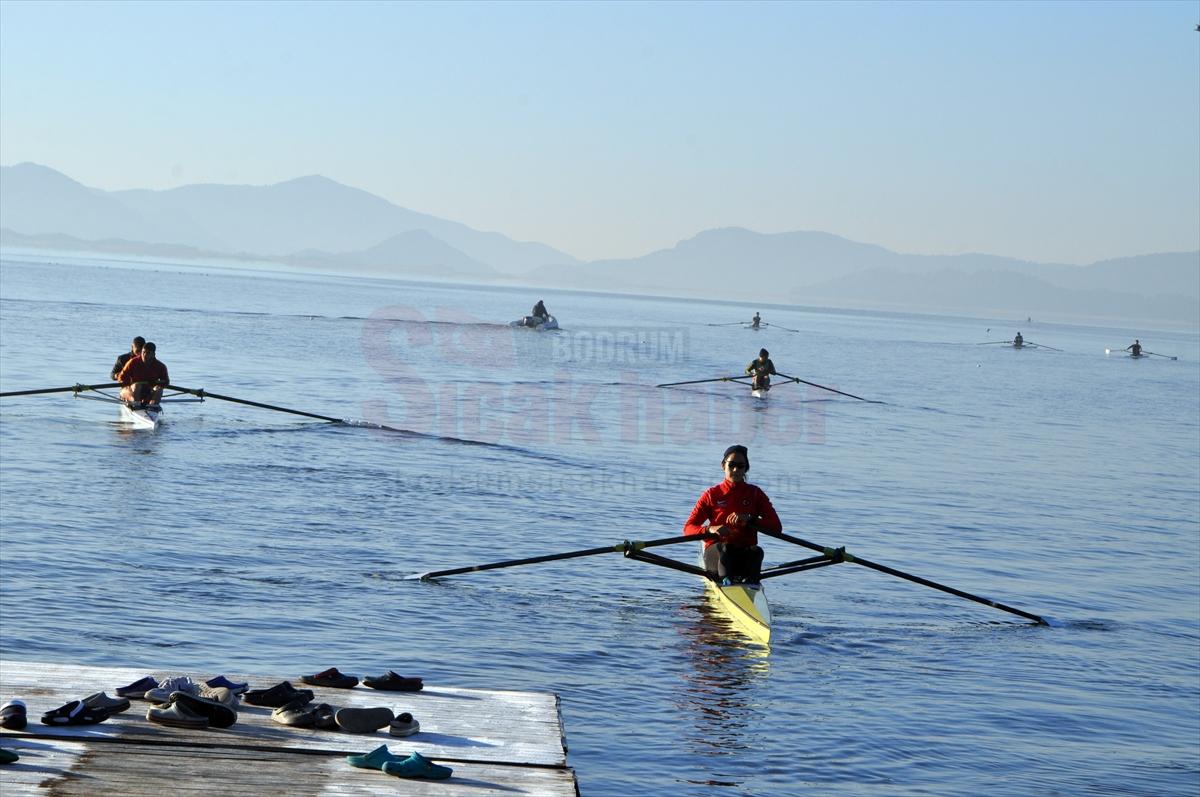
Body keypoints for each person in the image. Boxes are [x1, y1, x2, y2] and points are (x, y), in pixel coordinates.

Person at [684, 445, 782, 585]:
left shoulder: (755, 494)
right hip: (718, 553)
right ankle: (726, 582)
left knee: (756, 552)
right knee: (726, 548)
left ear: (745, 469)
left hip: (743, 553)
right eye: (732, 465)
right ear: (723, 466)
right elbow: (688, 528)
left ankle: (750, 584)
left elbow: (776, 527)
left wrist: (751, 519)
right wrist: (709, 529)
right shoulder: (711, 495)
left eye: (740, 466)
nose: (736, 470)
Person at [117, 341, 169, 407]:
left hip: (147, 391)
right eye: (143, 352)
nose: (144, 355)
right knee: (137, 386)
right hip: (131, 390)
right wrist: (130, 383)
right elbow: (121, 378)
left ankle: (153, 407)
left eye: (148, 353)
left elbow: (166, 382)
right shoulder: (132, 362)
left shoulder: (161, 366)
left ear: (153, 354)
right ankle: (136, 405)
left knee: (159, 389)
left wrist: (157, 384)